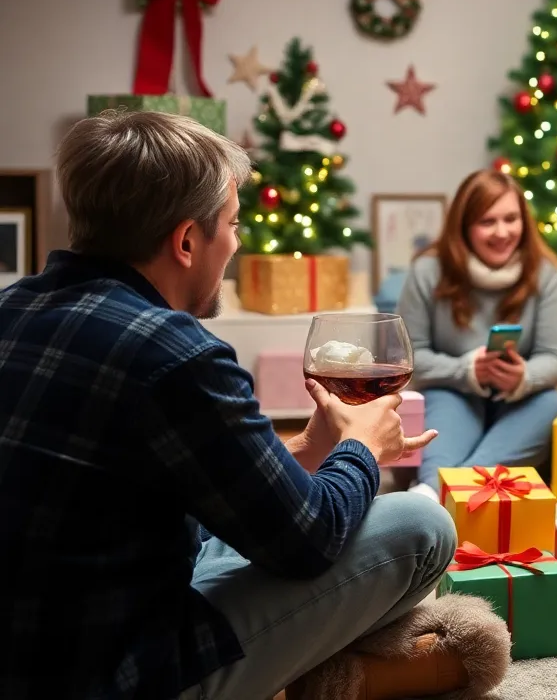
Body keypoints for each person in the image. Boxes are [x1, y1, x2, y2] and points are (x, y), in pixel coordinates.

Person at [0, 111, 456, 700]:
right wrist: (362, 449)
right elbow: (307, 544)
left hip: (46, 629)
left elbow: (173, 487)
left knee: (237, 522)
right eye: (233, 225)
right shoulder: (176, 353)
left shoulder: (13, 308)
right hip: (116, 673)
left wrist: (313, 448)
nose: (237, 245)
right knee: (421, 525)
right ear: (187, 241)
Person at [399, 169, 557, 498]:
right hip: (453, 393)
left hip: (520, 402)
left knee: (551, 402)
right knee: (446, 401)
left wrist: (524, 376)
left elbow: (555, 358)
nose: (502, 232)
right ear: (463, 227)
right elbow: (408, 358)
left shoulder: (544, 275)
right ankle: (435, 494)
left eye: (511, 219)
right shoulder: (427, 271)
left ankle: (446, 491)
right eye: (487, 222)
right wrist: (466, 371)